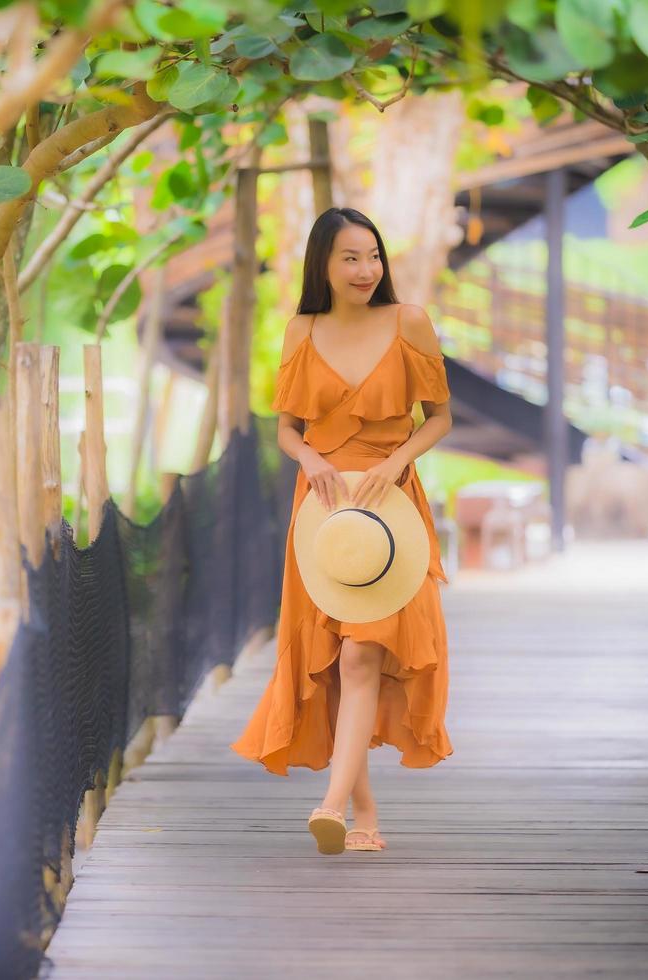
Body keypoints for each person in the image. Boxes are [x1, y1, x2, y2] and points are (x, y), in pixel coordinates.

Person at [229, 206, 455, 854]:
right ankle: (366, 821)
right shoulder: (303, 329)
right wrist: (312, 459)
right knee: (331, 659)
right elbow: (286, 429)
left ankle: (330, 804)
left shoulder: (409, 321)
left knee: (362, 653)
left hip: (389, 504)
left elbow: (439, 418)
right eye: (350, 258)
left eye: (373, 256)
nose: (365, 270)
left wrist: (392, 462)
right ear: (322, 264)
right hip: (324, 507)